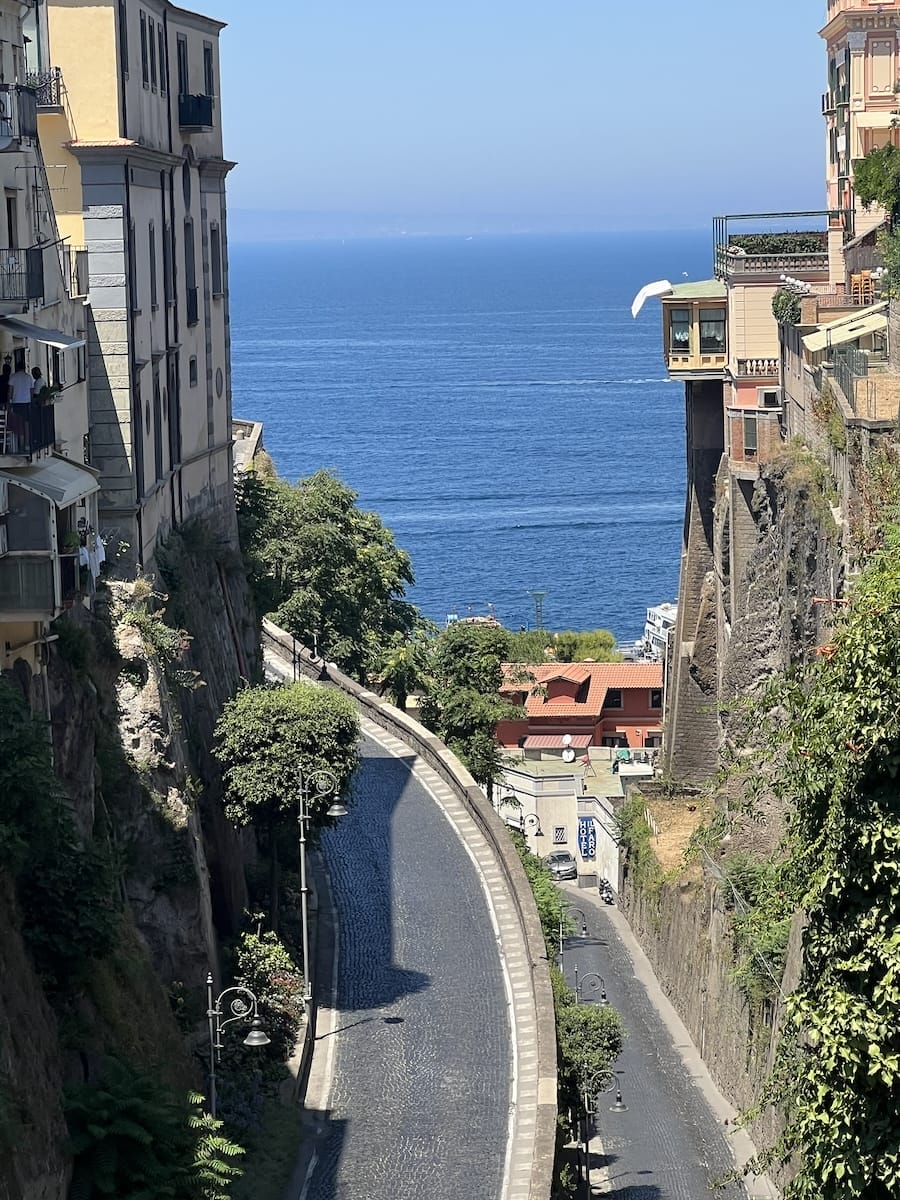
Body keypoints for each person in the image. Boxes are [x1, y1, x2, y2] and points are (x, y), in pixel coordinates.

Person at [8, 362, 34, 452]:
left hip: (16, 403)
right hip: (26, 402)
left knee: (19, 424)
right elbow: (32, 391)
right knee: (26, 423)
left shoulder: (13, 377)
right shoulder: (28, 377)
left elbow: (10, 392)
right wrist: (31, 401)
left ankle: (21, 444)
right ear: (24, 368)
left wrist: (9, 402)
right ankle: (27, 444)